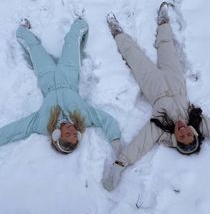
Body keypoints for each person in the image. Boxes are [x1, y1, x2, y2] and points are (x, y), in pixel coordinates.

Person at [102, 2, 210, 191]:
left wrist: (119, 165)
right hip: (175, 79)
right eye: (189, 133)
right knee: (167, 47)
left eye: (181, 135)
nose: (184, 130)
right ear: (193, 132)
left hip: (153, 84)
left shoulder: (160, 127)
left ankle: (117, 31)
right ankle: (163, 21)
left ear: (176, 138)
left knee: (133, 56)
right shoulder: (198, 121)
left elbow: (140, 144)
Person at [0, 17, 122, 155]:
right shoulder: (83, 117)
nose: (72, 132)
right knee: (75, 36)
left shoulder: (42, 124)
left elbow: (17, 129)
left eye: (68, 135)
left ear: (57, 135)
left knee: (32, 46)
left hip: (47, 77)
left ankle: (23, 29)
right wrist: (115, 140)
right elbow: (106, 120)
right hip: (68, 73)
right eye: (75, 135)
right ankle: (79, 20)